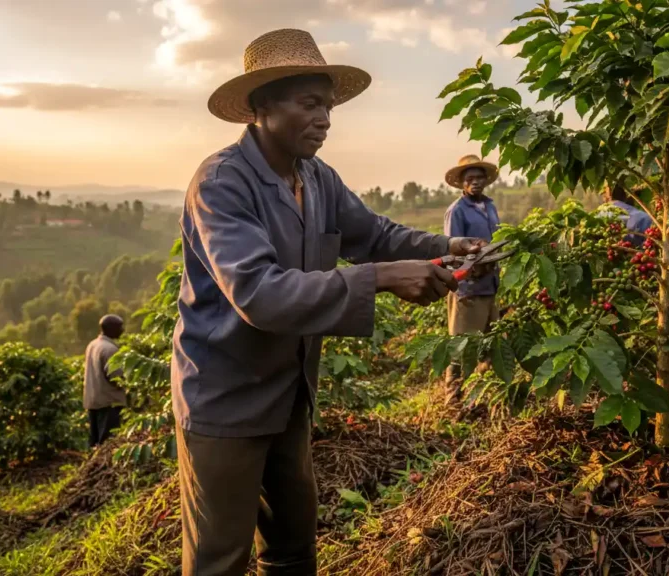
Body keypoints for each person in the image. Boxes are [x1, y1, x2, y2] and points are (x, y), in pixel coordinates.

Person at [171, 29, 486, 576]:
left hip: (290, 390)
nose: (325, 119)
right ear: (261, 106)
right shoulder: (221, 183)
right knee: (219, 558)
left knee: (293, 544)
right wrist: (383, 278)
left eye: (329, 106)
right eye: (309, 104)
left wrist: (444, 247)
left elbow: (374, 233)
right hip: (225, 398)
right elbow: (260, 294)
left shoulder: (315, 178)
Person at [442, 155, 501, 401]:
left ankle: (480, 396)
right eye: (470, 179)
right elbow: (452, 251)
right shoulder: (456, 211)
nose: (475, 183)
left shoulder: (490, 206)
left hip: (491, 286)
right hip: (469, 287)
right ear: (462, 184)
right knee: (462, 347)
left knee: (490, 345)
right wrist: (475, 267)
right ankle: (452, 398)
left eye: (479, 178)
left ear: (486, 181)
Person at [83, 314, 126, 448]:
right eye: (119, 327)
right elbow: (115, 378)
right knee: (107, 444)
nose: (122, 330)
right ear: (111, 329)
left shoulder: (93, 344)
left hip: (93, 401)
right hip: (109, 403)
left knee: (95, 443)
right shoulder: (110, 349)